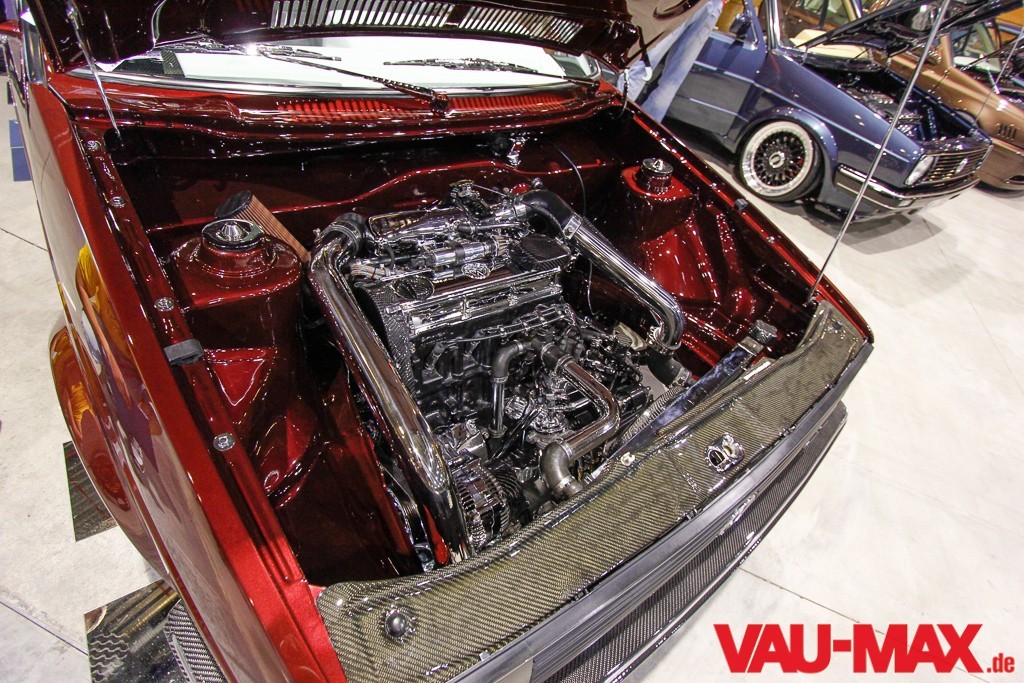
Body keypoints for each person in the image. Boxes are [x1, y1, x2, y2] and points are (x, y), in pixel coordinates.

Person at [622, 0, 724, 123]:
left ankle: (616, 113)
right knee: (671, 77)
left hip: (696, 5)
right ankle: (641, 124)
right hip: (710, 5)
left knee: (646, 64)